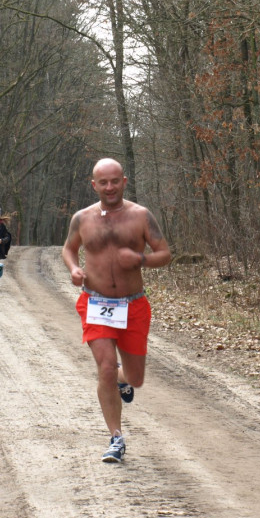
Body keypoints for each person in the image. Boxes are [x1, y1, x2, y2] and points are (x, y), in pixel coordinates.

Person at [61, 158, 171, 463]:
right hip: (95, 303)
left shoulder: (140, 216)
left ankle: (125, 381)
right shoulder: (82, 219)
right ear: (93, 185)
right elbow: (69, 249)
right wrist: (73, 269)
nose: (109, 187)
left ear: (124, 181)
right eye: (103, 182)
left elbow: (165, 254)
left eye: (114, 181)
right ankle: (116, 438)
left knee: (135, 378)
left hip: (133, 304)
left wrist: (140, 259)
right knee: (106, 366)